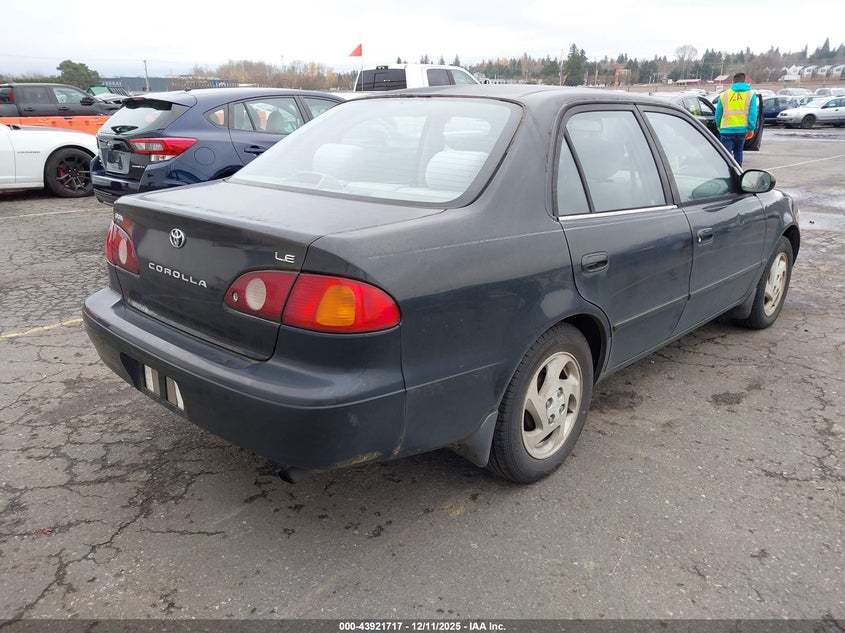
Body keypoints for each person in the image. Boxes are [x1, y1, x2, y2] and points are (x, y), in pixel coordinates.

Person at [714, 72, 758, 166]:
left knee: (726, 155)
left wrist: (718, 126)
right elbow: (753, 113)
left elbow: (718, 114)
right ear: (745, 81)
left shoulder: (724, 95)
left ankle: (727, 172)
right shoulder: (751, 94)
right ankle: (738, 173)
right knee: (738, 152)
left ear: (733, 82)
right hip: (742, 130)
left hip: (726, 130)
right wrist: (751, 128)